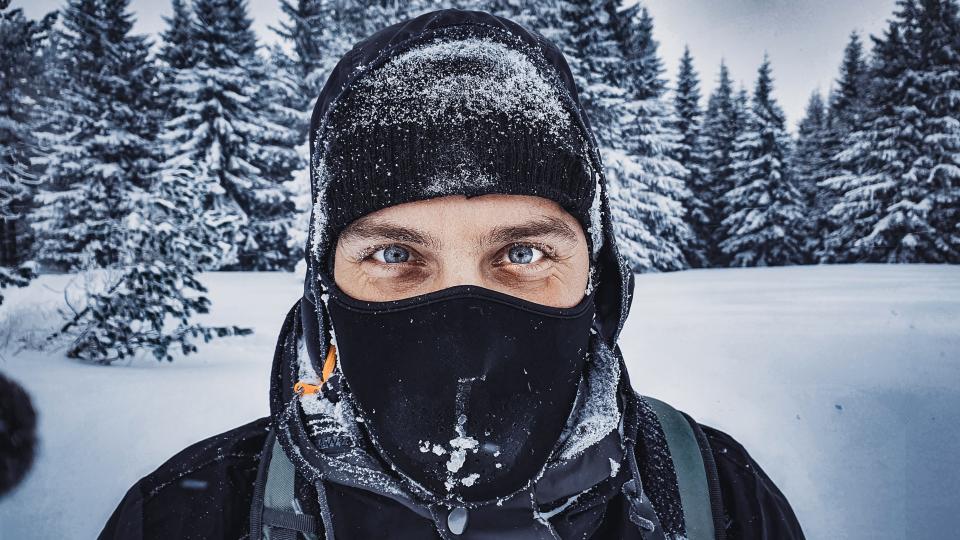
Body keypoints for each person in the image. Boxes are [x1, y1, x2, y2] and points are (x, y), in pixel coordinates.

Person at [100, 9, 804, 540]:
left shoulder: (719, 499)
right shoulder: (185, 516)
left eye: (523, 254)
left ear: (598, 280)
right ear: (325, 287)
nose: (463, 323)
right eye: (396, 256)